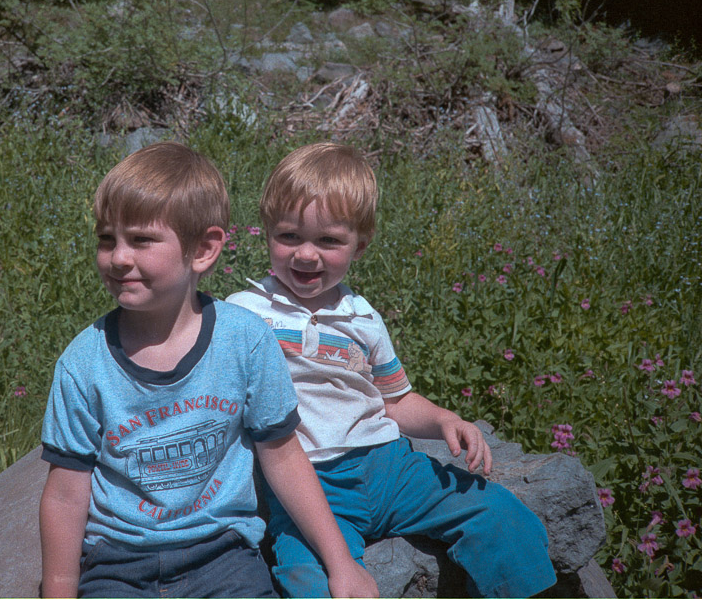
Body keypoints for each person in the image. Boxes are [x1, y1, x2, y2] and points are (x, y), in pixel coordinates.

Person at [39, 142, 378, 599]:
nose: (118, 257)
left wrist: (341, 565)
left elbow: (283, 454)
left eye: (140, 240)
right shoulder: (83, 364)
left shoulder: (246, 341)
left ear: (203, 249)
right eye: (107, 239)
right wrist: (59, 591)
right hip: (118, 563)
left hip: (224, 557)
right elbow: (65, 494)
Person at [227, 142, 557, 598]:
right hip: (308, 486)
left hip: (389, 467)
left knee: (497, 512)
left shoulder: (363, 318)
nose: (306, 255)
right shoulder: (243, 313)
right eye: (289, 236)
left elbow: (395, 399)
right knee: (311, 579)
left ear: (360, 245)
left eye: (329, 240)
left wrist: (445, 420)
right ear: (266, 232)